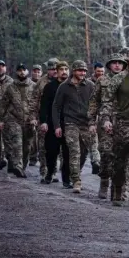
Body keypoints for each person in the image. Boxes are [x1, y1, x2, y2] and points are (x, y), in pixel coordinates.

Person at [101, 49, 129, 206]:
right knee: (120, 160)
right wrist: (106, 119)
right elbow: (106, 101)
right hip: (122, 124)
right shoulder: (118, 79)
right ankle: (118, 188)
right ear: (127, 62)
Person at [52, 60, 95, 193]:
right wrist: (57, 125)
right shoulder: (64, 86)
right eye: (80, 70)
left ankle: (76, 172)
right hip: (70, 123)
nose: (82, 73)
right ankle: (76, 181)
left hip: (86, 124)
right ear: (74, 71)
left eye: (84, 71)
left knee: (84, 152)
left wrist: (94, 121)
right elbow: (56, 106)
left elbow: (95, 104)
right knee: (74, 152)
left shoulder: (90, 86)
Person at [88, 53, 126, 199]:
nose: (117, 65)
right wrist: (91, 121)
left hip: (124, 122)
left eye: (120, 63)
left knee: (122, 156)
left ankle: (119, 189)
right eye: (114, 62)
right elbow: (93, 102)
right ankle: (104, 181)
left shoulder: (128, 79)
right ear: (109, 65)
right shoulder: (102, 80)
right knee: (106, 153)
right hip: (105, 121)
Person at [0, 63, 36, 178]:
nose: (21, 72)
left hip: (29, 121)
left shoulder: (34, 86)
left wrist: (36, 118)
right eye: (19, 70)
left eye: (23, 70)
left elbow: (38, 105)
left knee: (27, 147)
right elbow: (3, 104)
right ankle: (18, 166)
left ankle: (21, 167)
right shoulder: (11, 87)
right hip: (13, 119)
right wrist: (1, 120)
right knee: (17, 143)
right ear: (16, 72)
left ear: (27, 72)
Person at [40, 61, 70, 186]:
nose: (64, 71)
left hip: (69, 123)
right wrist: (43, 122)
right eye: (61, 69)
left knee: (68, 153)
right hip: (52, 123)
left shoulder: (72, 86)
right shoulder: (49, 87)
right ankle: (50, 173)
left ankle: (66, 180)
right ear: (56, 71)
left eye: (66, 69)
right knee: (51, 151)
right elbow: (44, 106)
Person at [33, 58, 59, 180]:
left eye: (55, 69)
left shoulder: (63, 81)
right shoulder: (41, 82)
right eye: (51, 69)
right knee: (43, 147)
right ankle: (44, 171)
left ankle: (53, 171)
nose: (54, 71)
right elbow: (34, 100)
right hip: (44, 118)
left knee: (57, 148)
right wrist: (34, 117)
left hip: (59, 119)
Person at [28, 64, 43, 166]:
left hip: (42, 113)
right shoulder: (27, 83)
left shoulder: (44, 82)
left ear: (41, 72)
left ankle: (42, 158)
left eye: (38, 72)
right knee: (32, 137)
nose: (36, 73)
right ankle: (32, 157)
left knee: (41, 137)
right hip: (30, 112)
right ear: (31, 72)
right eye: (34, 71)